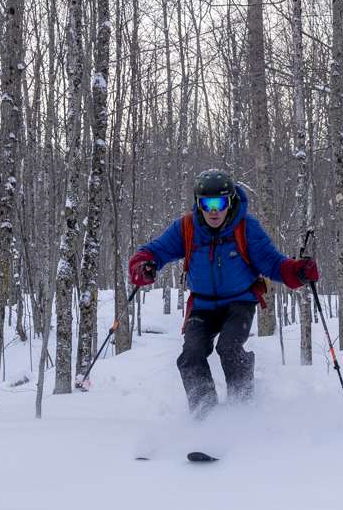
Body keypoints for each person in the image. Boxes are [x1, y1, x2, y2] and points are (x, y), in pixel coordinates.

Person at [127, 169, 320, 417]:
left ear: (230, 202)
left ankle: (242, 410)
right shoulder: (187, 228)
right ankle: (205, 417)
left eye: (221, 202)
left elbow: (273, 263)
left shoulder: (246, 228)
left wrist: (299, 272)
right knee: (190, 356)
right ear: (199, 204)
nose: (214, 211)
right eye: (207, 204)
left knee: (229, 347)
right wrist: (142, 267)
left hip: (239, 302)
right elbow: (153, 251)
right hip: (203, 306)